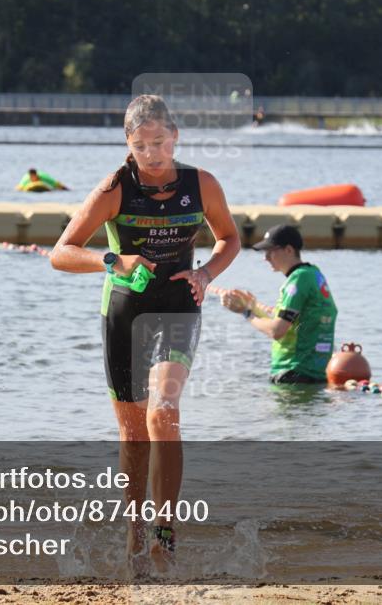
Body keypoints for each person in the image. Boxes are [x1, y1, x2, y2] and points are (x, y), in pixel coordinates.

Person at [49, 95, 239, 571]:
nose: (152, 153)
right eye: (141, 145)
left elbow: (229, 238)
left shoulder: (202, 185)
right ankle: (134, 533)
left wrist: (206, 274)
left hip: (179, 307)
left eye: (159, 142)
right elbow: (62, 252)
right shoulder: (115, 188)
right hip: (124, 315)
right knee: (133, 435)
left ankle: (165, 531)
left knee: (164, 413)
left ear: (175, 136)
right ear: (127, 144)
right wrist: (112, 260)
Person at [221, 225, 338, 384]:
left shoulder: (298, 280)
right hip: (317, 374)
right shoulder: (314, 274)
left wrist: (247, 313)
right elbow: (293, 323)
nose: (266, 257)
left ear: (289, 250)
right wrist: (253, 307)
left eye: (270, 251)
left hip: (293, 373)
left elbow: (277, 330)